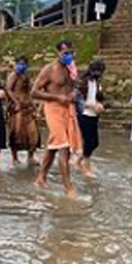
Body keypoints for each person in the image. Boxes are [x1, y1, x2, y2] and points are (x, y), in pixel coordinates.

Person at [31, 40, 83, 197]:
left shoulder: (71, 67)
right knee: (63, 147)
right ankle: (68, 188)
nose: (69, 56)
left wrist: (74, 93)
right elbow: (34, 92)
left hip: (68, 109)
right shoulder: (49, 69)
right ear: (58, 53)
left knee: (54, 146)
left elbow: (72, 86)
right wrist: (57, 97)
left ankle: (41, 177)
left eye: (71, 53)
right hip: (53, 109)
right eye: (65, 53)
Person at [6, 56, 40, 167]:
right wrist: (16, 103)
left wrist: (35, 107)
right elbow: (9, 90)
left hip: (28, 108)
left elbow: (30, 91)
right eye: (20, 63)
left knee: (33, 133)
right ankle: (14, 158)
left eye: (24, 64)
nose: (22, 66)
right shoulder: (13, 75)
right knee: (17, 132)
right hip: (17, 109)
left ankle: (30, 157)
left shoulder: (25, 76)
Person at [76, 58, 107, 178]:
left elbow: (100, 98)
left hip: (94, 115)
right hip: (84, 115)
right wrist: (92, 105)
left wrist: (101, 105)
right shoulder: (83, 82)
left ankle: (79, 161)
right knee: (89, 142)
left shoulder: (97, 83)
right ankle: (86, 166)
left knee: (94, 143)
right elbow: (78, 100)